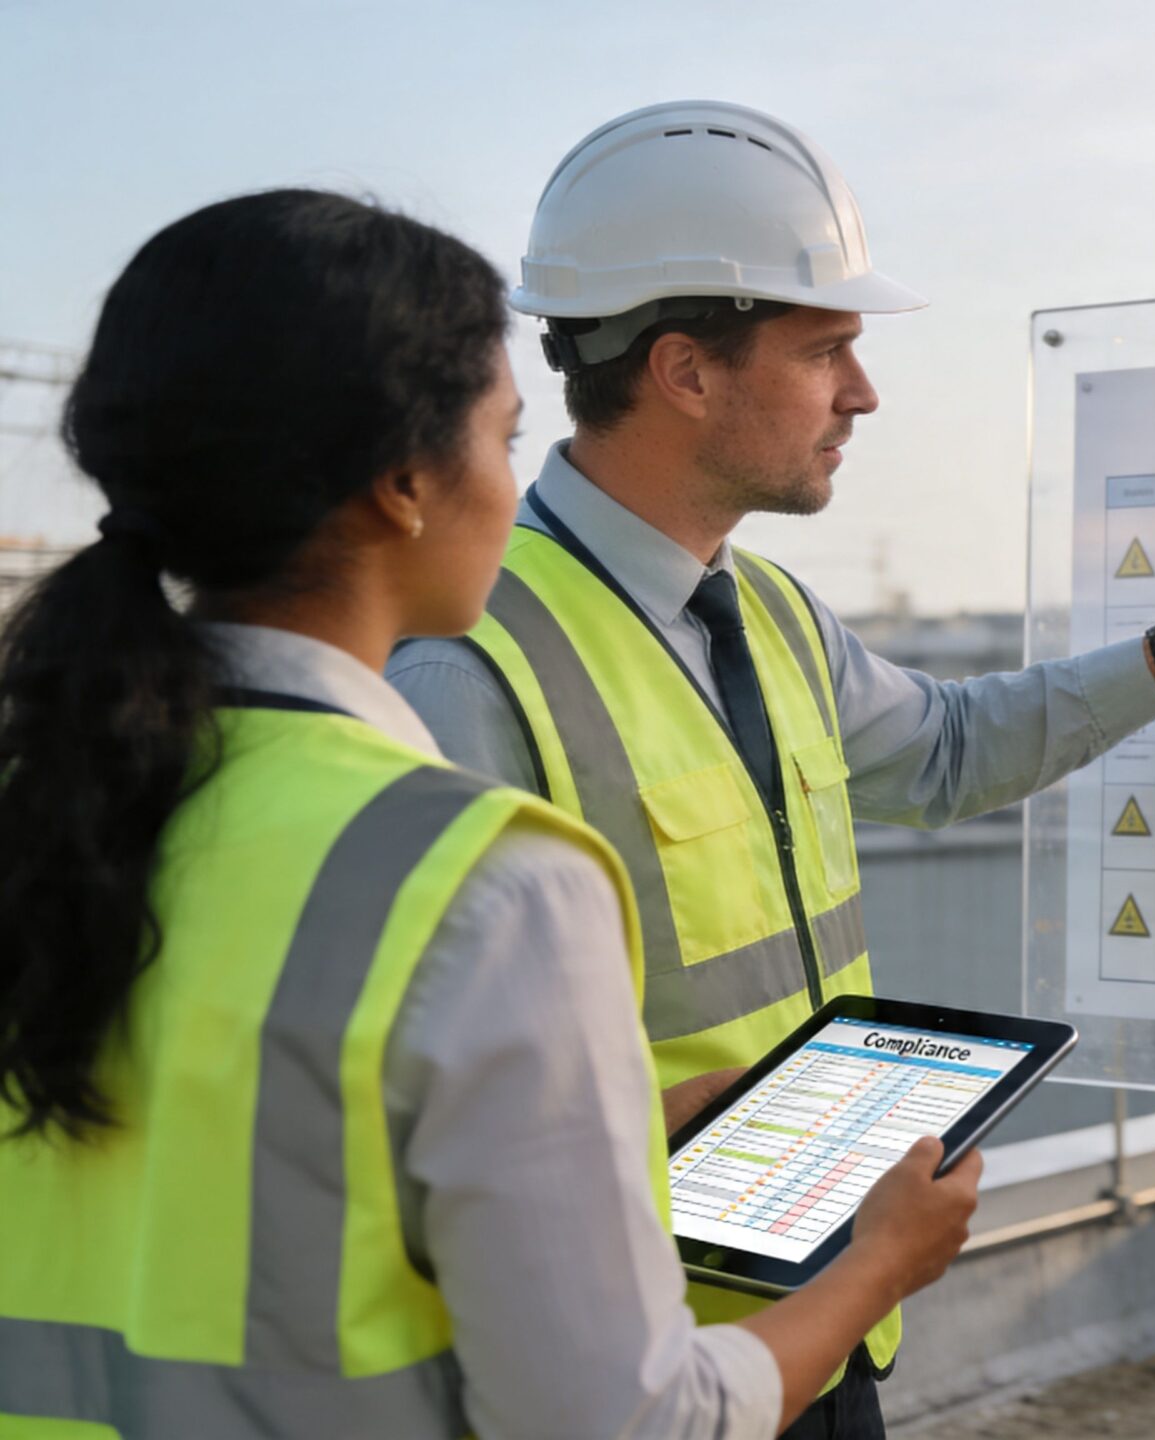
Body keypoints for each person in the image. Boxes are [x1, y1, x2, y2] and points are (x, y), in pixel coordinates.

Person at [384, 99, 1155, 1434]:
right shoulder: (468, 660)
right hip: (634, 1366)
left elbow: (947, 751)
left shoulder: (773, 613)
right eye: (829, 350)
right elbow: (431, 1083)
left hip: (831, 1311)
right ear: (685, 371)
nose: (863, 394)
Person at [0, 189, 980, 1439]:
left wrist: (606, 1127)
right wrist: (876, 1270)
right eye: (506, 441)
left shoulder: (54, 803)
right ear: (406, 481)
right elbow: (628, 1423)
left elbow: (242, 1173)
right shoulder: (484, 883)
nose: (518, 493)